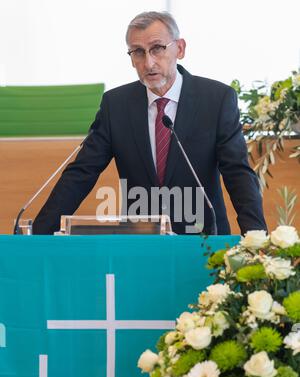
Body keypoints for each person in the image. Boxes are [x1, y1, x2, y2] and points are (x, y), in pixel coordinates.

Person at [33, 11, 267, 235]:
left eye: (157, 48)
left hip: (202, 240)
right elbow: (82, 173)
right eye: (138, 52)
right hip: (140, 242)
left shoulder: (216, 99)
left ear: (180, 48)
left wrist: (257, 239)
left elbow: (237, 172)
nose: (149, 62)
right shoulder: (116, 105)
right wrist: (38, 235)